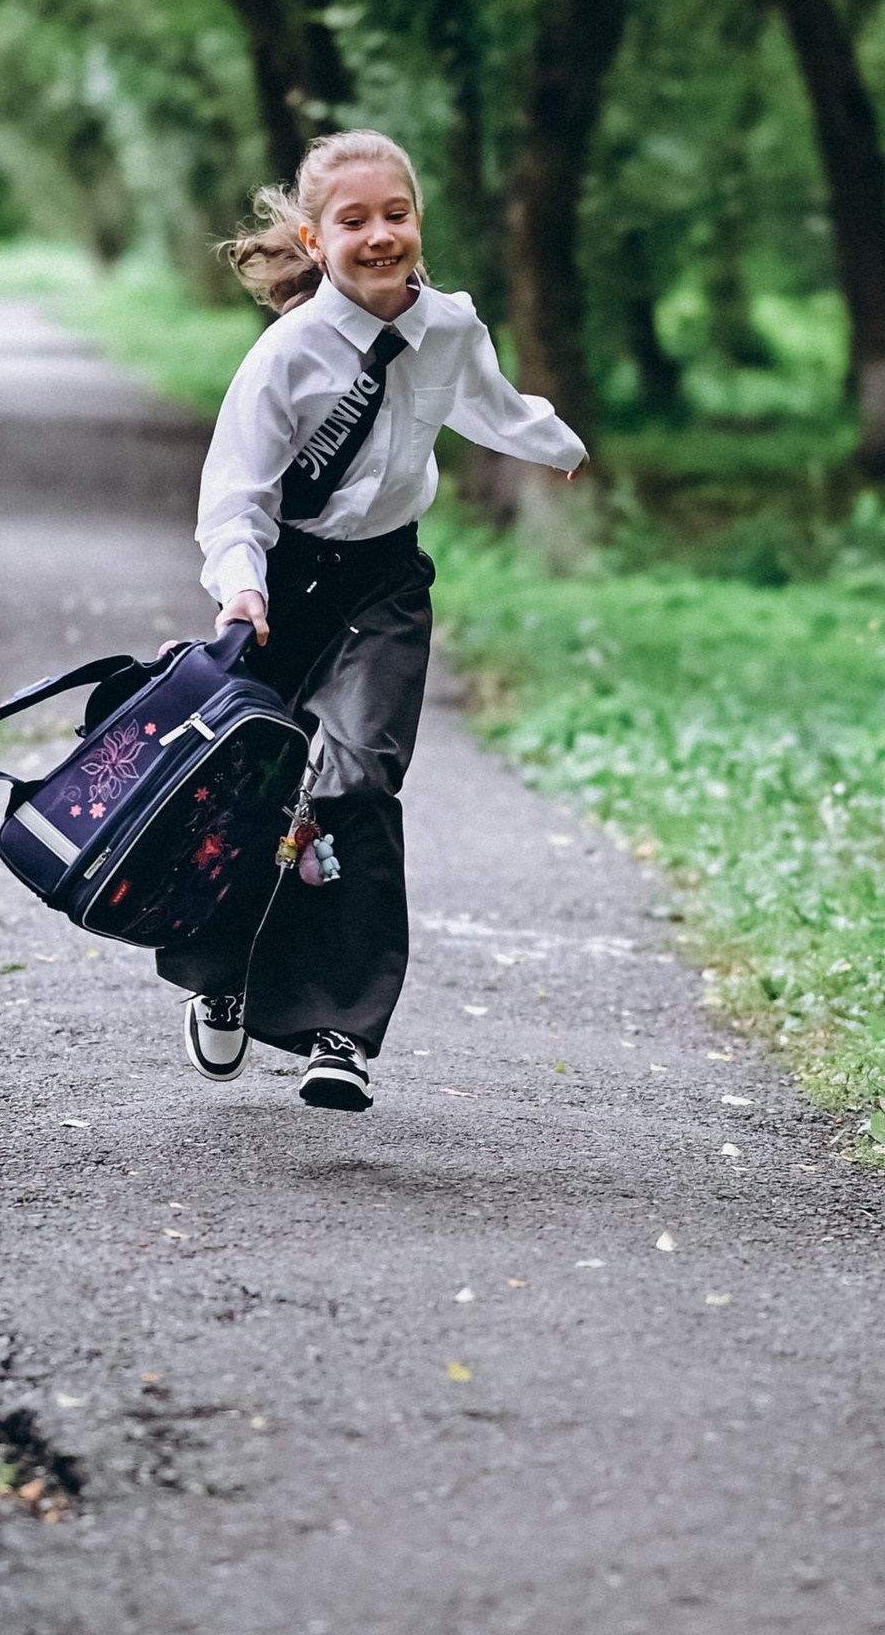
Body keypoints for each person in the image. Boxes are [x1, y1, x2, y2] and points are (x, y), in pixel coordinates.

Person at [160, 129, 585, 1112]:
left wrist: (550, 442)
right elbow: (234, 500)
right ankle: (222, 973)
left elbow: (484, 402)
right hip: (278, 587)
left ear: (418, 219)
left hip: (384, 584)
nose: (379, 235)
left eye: (395, 214)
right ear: (313, 239)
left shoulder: (448, 326)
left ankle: (338, 1029)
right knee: (252, 793)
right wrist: (240, 587)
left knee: (355, 783)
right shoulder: (285, 359)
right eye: (353, 221)